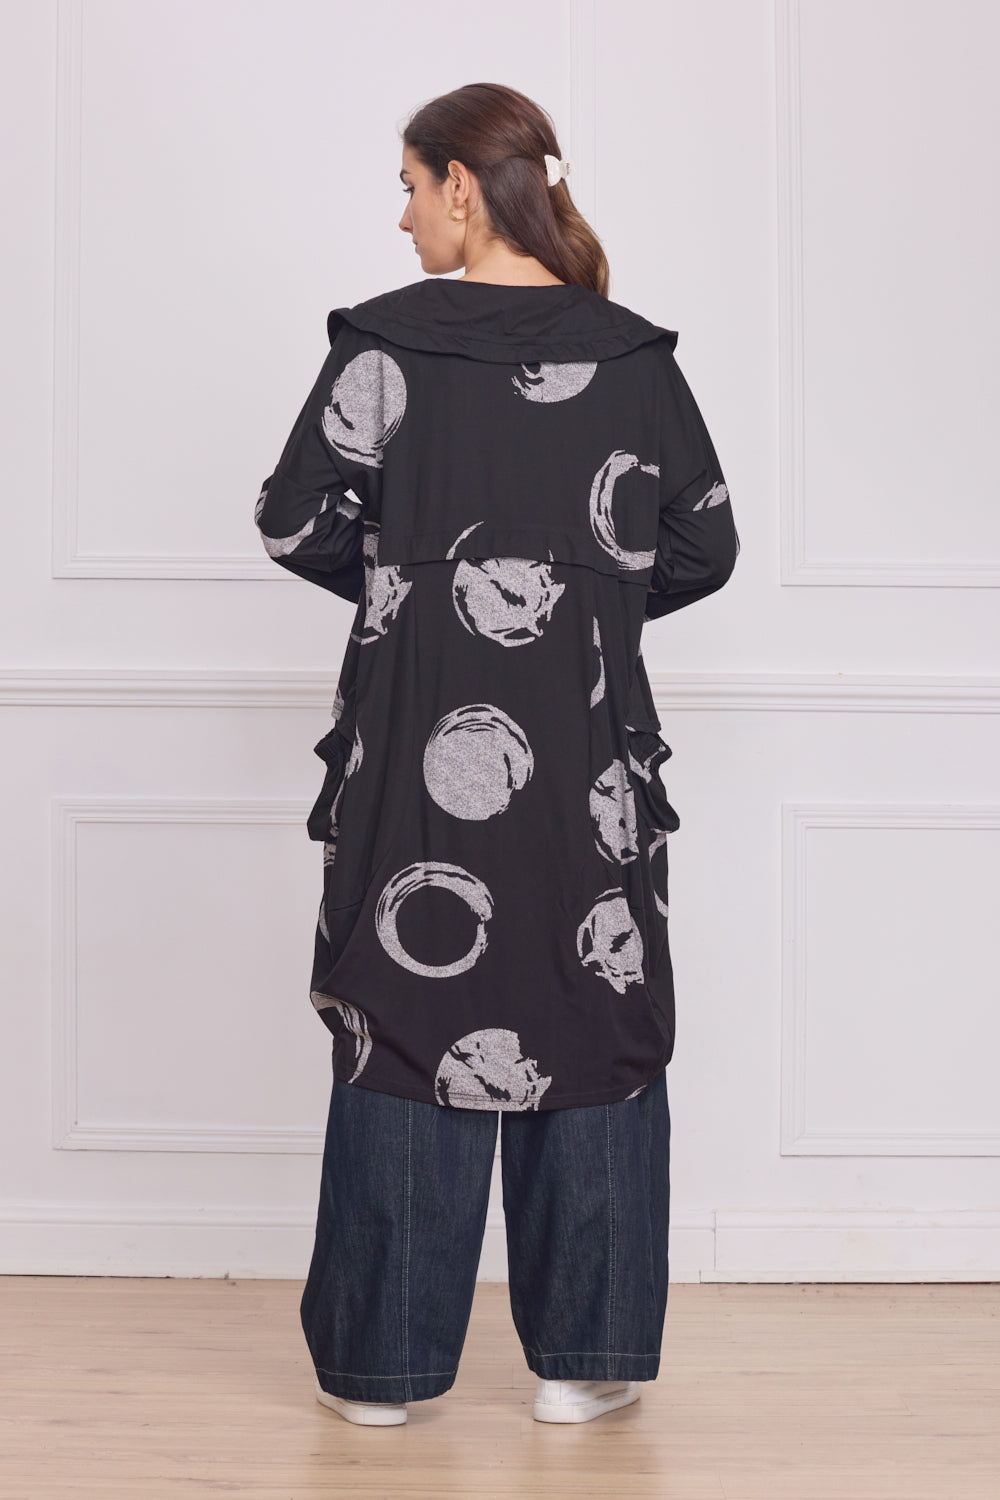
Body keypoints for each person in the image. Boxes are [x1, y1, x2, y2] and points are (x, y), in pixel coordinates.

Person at [255, 83, 739, 1427]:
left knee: (404, 1001)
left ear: (463, 185)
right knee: (598, 997)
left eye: (411, 187)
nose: (405, 216)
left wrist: (412, 587)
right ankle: (587, 1365)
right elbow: (703, 543)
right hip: (588, 752)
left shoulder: (383, 348)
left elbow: (292, 519)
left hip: (412, 743)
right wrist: (586, 600)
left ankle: (381, 1373)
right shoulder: (632, 358)